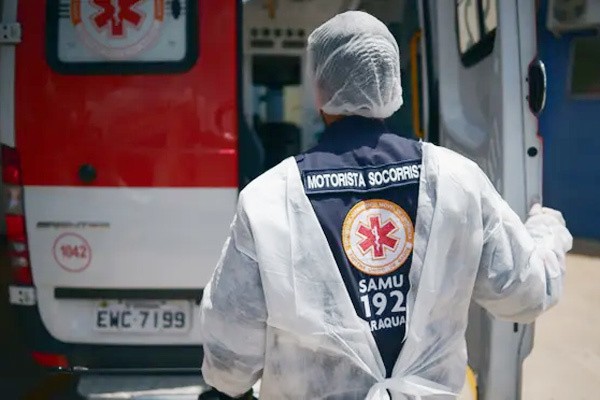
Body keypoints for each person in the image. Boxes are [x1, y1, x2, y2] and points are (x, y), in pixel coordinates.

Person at [199, 11, 572, 400]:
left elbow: (229, 364)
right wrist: (546, 230)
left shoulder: (269, 197)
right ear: (392, 85)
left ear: (320, 91)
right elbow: (524, 292)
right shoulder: (458, 180)